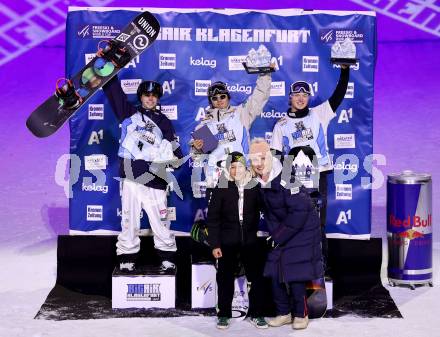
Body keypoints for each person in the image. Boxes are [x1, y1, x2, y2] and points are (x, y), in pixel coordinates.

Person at [270, 65, 350, 270]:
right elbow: (276, 156)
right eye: (296, 94)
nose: (301, 98)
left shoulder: (319, 114)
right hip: (294, 179)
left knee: (318, 223)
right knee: (295, 222)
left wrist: (345, 71)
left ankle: (322, 267)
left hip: (318, 175)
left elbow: (339, 95)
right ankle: (295, 265)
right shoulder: (281, 124)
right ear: (290, 98)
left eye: (304, 94)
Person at [102, 73, 183, 272]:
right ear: (140, 97)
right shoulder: (129, 113)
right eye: (146, 95)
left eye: (154, 95)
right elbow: (114, 93)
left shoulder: (164, 121)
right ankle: (127, 257)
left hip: (155, 179)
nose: (150, 98)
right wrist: (107, 72)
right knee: (129, 219)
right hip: (132, 176)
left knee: (159, 220)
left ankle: (167, 257)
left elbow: (174, 148)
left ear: (158, 98)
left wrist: (177, 159)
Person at [249, 138, 323, 330]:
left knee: (295, 274)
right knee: (273, 272)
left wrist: (278, 236)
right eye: (255, 160)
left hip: (304, 229)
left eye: (262, 158)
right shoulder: (257, 180)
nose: (258, 164)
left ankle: (301, 314)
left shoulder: (285, 178)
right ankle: (284, 313)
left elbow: (301, 211)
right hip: (283, 230)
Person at [190, 59, 273, 196]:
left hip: (241, 175)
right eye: (215, 98)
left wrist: (265, 74)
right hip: (216, 178)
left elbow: (259, 97)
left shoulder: (241, 113)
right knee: (218, 216)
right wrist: (196, 149)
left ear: (228, 97)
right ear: (210, 101)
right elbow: (197, 158)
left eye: (222, 96)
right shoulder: (204, 125)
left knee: (242, 215)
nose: (219, 100)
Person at [206, 152, 268, 330]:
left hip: (250, 240)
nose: (235, 170)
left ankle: (257, 314)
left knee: (256, 278)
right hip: (227, 241)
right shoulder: (222, 186)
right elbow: (213, 218)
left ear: (245, 167)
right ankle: (224, 314)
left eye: (239, 166)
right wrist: (215, 244)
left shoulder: (254, 185)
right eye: (232, 167)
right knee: (224, 278)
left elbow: (265, 208)